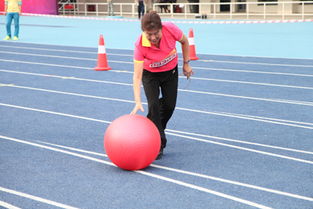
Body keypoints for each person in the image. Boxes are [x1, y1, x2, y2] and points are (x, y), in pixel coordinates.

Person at [131, 11, 193, 160]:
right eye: (148, 34)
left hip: (170, 72)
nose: (152, 38)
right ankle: (159, 143)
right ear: (143, 32)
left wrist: (186, 64)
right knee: (153, 105)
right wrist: (138, 101)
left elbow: (185, 42)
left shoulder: (170, 28)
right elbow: (137, 75)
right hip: (150, 75)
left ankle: (152, 124)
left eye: (156, 33)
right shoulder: (140, 45)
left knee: (169, 106)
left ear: (161, 28)